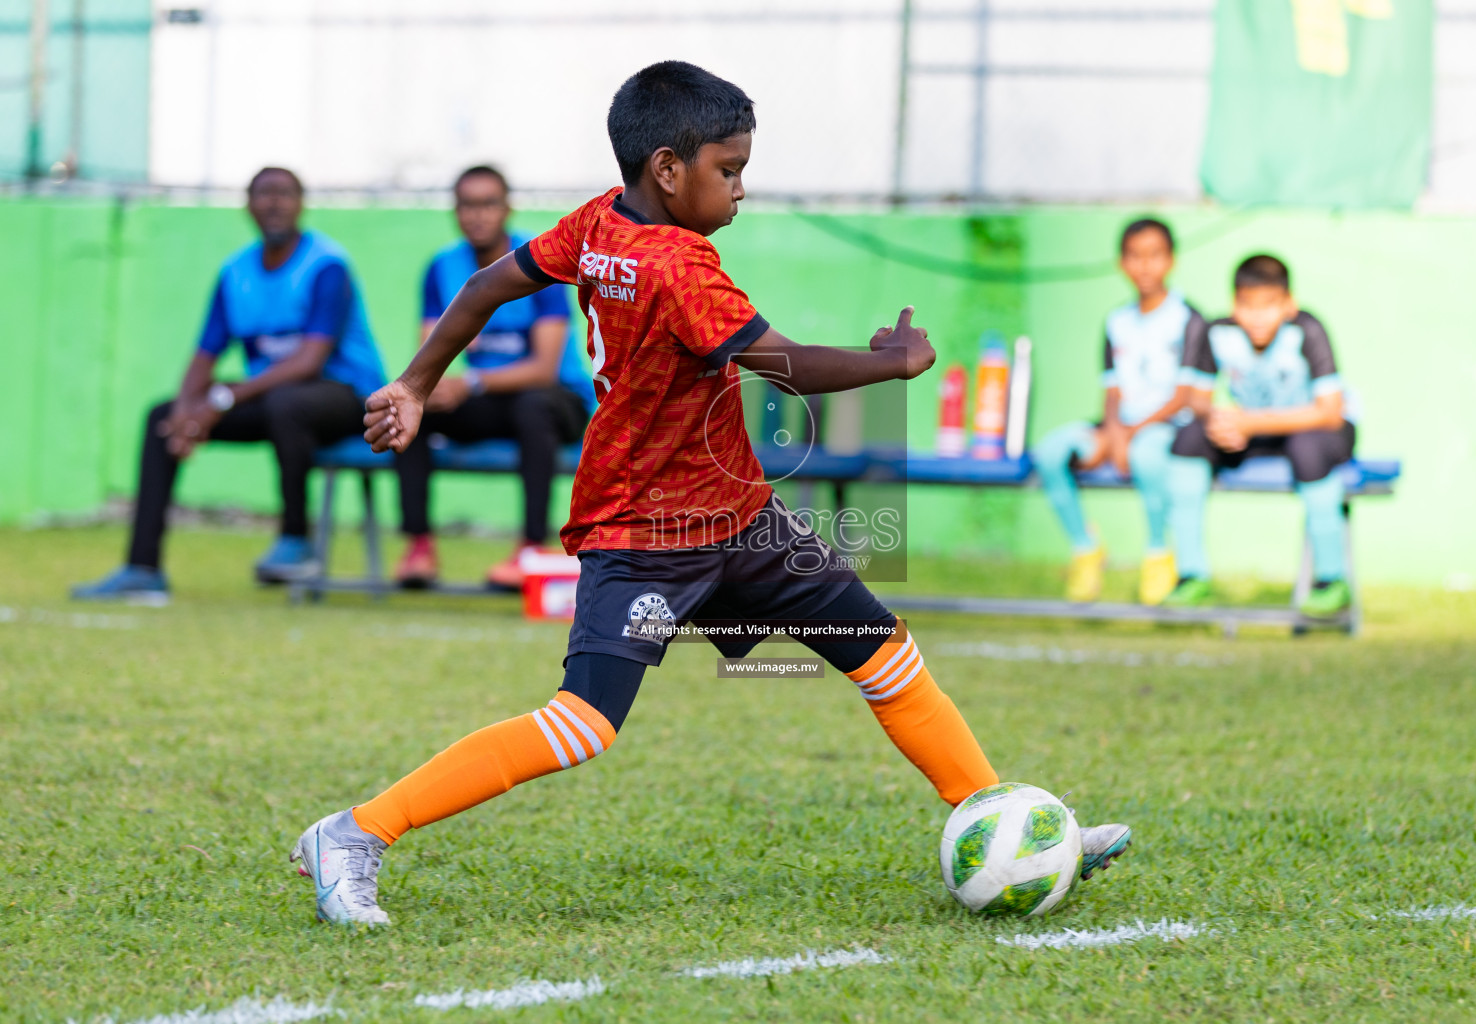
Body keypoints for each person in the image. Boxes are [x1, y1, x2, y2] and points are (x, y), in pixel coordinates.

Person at [289, 62, 1131, 925]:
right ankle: (355, 833)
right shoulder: (681, 268)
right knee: (583, 724)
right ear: (667, 168)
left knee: (885, 656)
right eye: (728, 171)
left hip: (738, 518)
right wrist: (895, 364)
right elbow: (781, 364)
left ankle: (1002, 823)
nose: (739, 190)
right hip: (647, 530)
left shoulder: (599, 221)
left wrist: (416, 383)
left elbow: (487, 285)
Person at [71, 168, 387, 603]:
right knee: (162, 417)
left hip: (346, 398)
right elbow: (205, 355)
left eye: (284, 194)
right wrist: (187, 411)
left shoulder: (327, 266)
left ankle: (295, 540)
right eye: (264, 194)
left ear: (301, 205)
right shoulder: (235, 273)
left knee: (287, 402)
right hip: (272, 398)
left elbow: (309, 361)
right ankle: (142, 568)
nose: (274, 203)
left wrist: (221, 398)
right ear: (247, 206)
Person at [393, 166, 595, 589]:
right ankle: (419, 547)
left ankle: (530, 549)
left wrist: (471, 382)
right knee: (412, 406)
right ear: (455, 211)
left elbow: (543, 369)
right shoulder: (442, 268)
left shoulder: (541, 262)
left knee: (533, 406)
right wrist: (435, 387)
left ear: (506, 209)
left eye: (488, 204)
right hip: (494, 399)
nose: (477, 215)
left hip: (556, 401)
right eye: (468, 204)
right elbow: (432, 353)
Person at [1163, 255, 1358, 617]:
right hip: (1254, 429)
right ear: (1233, 304)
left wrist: (1251, 422)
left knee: (1308, 450)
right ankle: (1191, 573)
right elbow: (1198, 400)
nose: (1256, 317)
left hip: (1318, 431)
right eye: (1247, 306)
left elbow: (1329, 411)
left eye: (1268, 306)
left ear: (1288, 304)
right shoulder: (1217, 331)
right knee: (1189, 438)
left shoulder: (1308, 330)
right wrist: (1223, 421)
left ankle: (1332, 579)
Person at [1031, 218, 1204, 606]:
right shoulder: (1116, 321)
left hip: (1166, 428)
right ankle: (1086, 548)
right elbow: (1111, 390)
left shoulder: (1189, 319)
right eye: (1135, 256)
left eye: (1154, 256)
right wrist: (1113, 433)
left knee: (1147, 455)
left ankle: (1159, 553)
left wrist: (1130, 434)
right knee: (1051, 453)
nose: (1145, 266)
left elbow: (1185, 396)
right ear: (1121, 263)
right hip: (1120, 427)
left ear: (1171, 260)